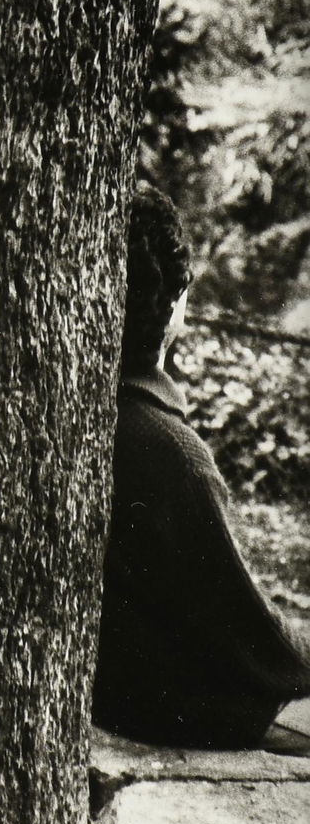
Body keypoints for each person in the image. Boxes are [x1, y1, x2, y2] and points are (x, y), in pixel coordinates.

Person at [93, 188, 310, 752]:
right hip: (171, 706)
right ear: (176, 300)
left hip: (115, 686)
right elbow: (257, 645)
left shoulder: (93, 416)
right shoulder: (171, 451)